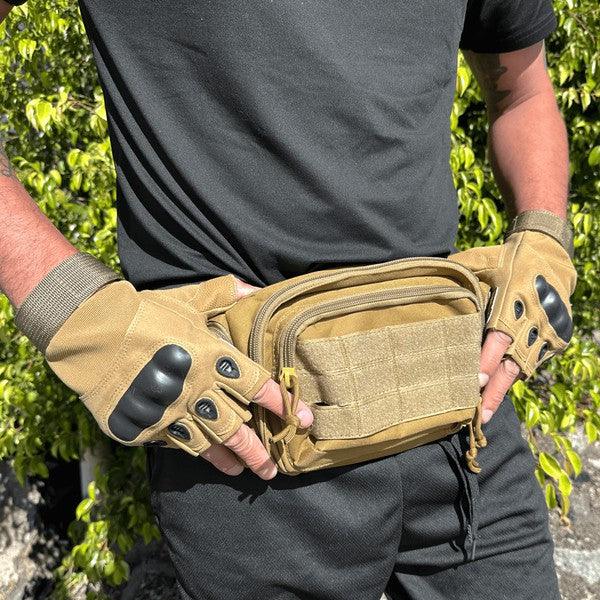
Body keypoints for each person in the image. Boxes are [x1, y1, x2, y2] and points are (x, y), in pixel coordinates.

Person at [0, 0, 577, 598]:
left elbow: (524, 92)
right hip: (247, 434)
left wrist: (544, 236)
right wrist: (74, 310)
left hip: (462, 415)